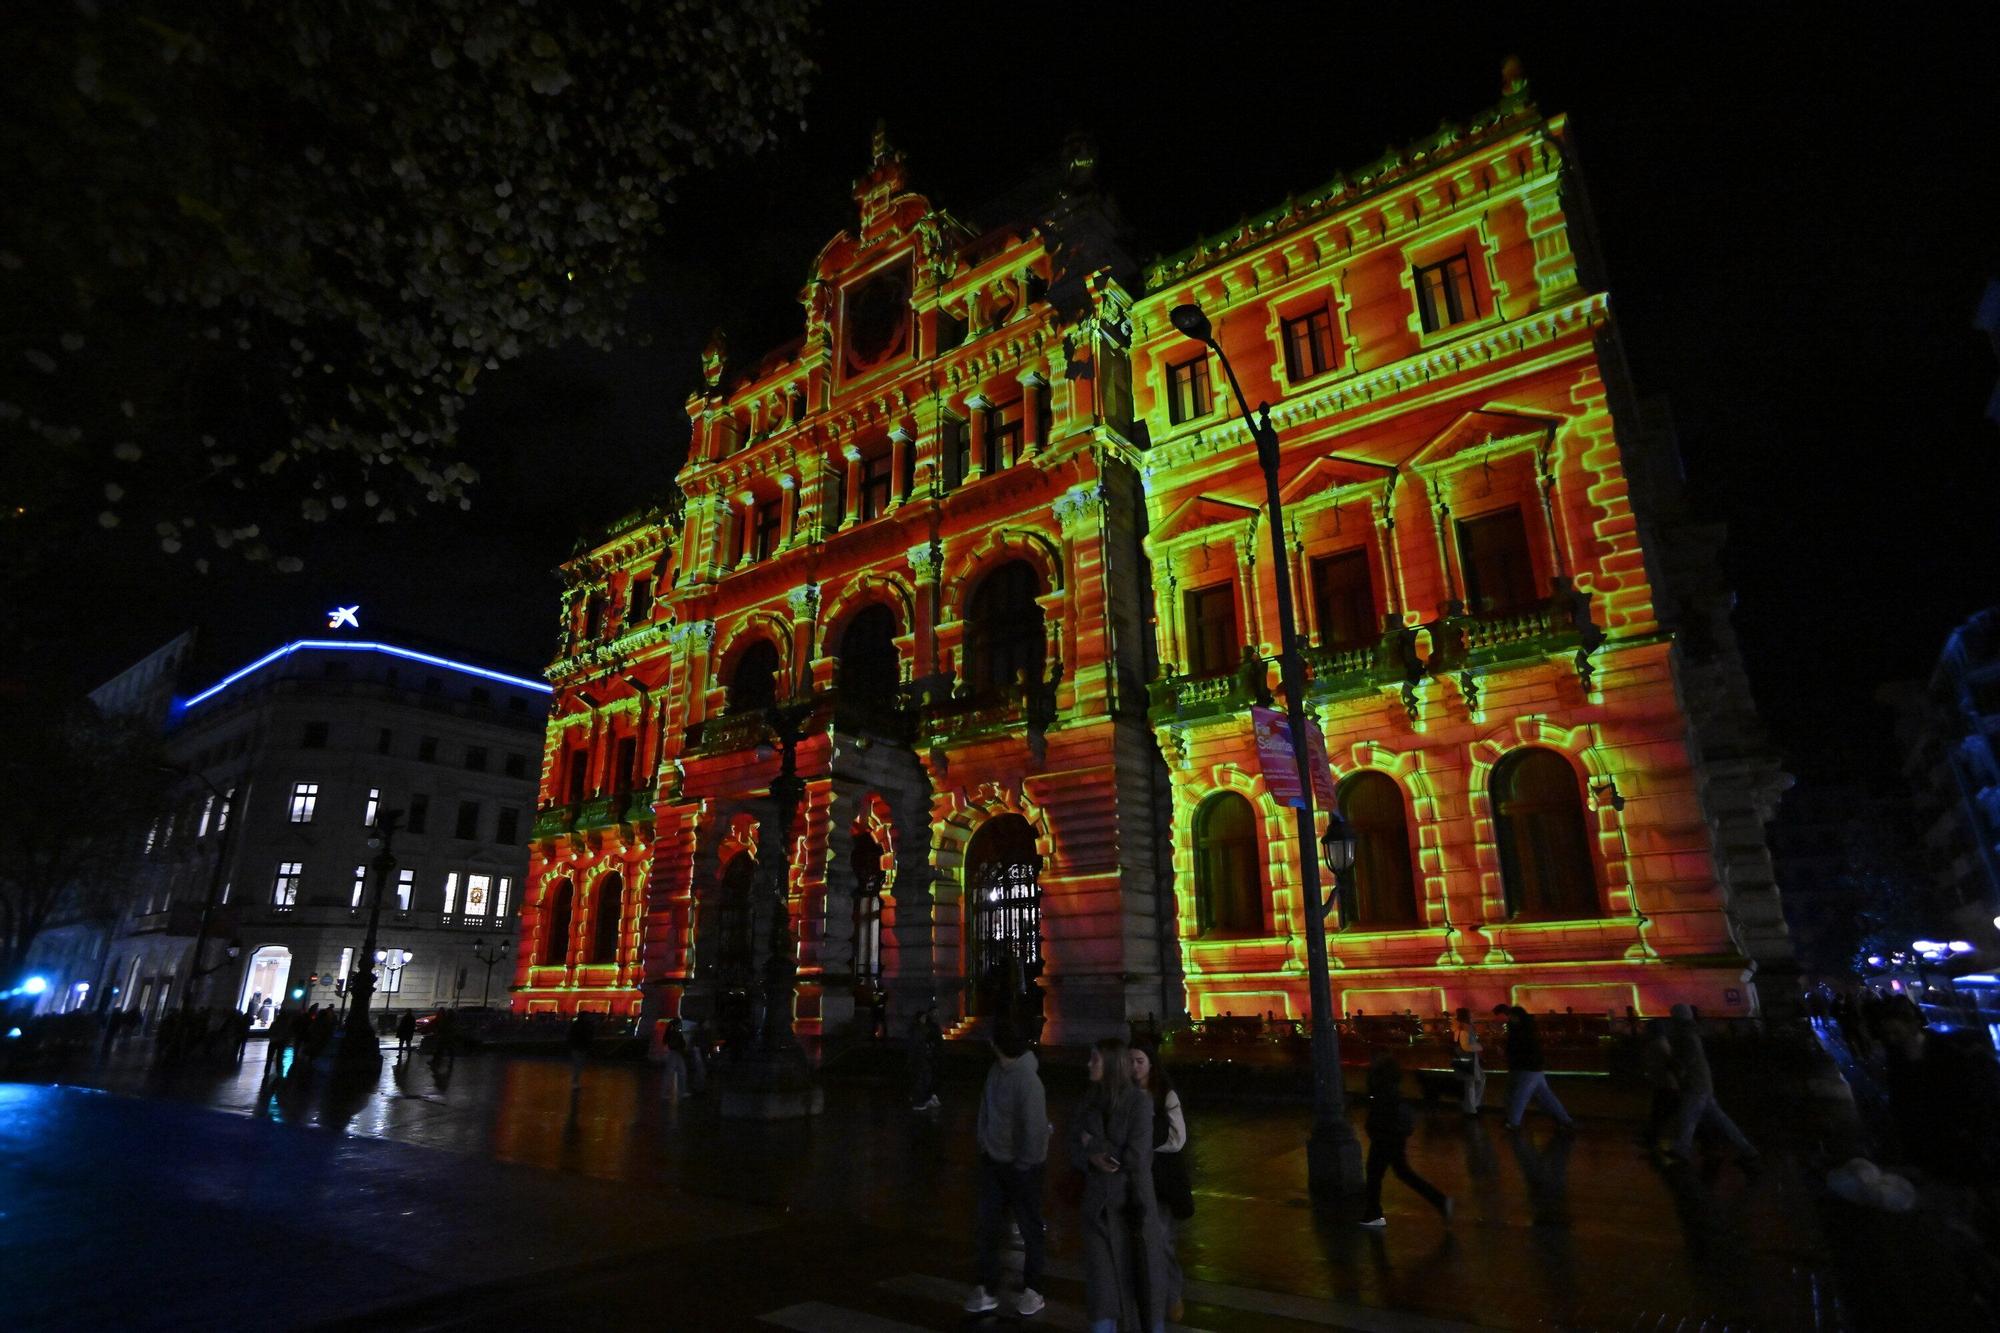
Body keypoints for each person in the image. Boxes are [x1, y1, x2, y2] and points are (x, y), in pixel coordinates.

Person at [1069, 1037, 1168, 1333]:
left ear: (1111, 1064)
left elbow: (1136, 1157)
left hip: (1133, 1209)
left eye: (1095, 1059)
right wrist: (1092, 1154)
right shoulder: (1089, 1101)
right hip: (1098, 1211)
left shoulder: (1139, 1102)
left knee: (1144, 1289)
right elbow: (1074, 1145)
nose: (1089, 1064)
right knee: (1102, 1294)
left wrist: (1095, 1146)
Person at [963, 1020, 1049, 1318]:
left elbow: (1034, 1128)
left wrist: (1024, 1163)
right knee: (987, 1226)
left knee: (1030, 1228)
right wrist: (984, 1142)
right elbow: (985, 1110)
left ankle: (1033, 1289)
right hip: (995, 1161)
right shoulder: (996, 1072)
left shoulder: (1027, 1080)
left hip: (1021, 1167)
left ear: (996, 1044)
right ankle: (987, 1287)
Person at [1359, 1052, 1453, 1228]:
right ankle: (1440, 1201)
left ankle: (1374, 1213)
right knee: (1402, 1172)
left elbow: (1377, 1110)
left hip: (1383, 1134)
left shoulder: (1380, 1086)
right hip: (1394, 1134)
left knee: (1375, 1174)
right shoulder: (1392, 1086)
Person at [1133, 1042, 1191, 1322]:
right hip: (1134, 1179)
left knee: (1163, 1240)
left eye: (1139, 1061)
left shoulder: (1165, 1095)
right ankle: (1147, 1294)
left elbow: (1177, 1139)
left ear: (1151, 1064)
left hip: (1161, 1180)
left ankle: (1172, 1294)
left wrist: (1142, 1145)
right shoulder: (1124, 1093)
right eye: (1130, 1061)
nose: (1134, 1067)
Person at [1665, 1003, 1755, 1165]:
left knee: (1688, 1117)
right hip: (1702, 1082)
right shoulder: (1692, 1032)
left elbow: (1687, 1059)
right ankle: (1747, 1149)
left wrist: (1677, 1068)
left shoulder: (1685, 1035)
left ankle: (1682, 1149)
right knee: (1720, 1120)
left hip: (1695, 1083)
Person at [1494, 1005, 1574, 1131]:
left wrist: (1506, 1053)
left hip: (1526, 1069)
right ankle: (1565, 1120)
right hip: (1533, 1068)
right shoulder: (1526, 1029)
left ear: (1515, 1017)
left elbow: (1517, 1048)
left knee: (1519, 1096)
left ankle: (1513, 1122)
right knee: (1545, 1096)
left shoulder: (1518, 1031)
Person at [1638, 1019, 1679, 1152]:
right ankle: (1652, 1138)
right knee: (1660, 1113)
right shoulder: (1661, 1043)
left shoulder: (1656, 1045)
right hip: (1667, 1084)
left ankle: (1652, 1138)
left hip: (1665, 1085)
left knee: (1659, 1112)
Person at [1450, 1007, 1485, 1117]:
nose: (1472, 1016)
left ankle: (1472, 1106)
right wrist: (1479, 1047)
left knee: (1475, 1081)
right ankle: (1471, 1109)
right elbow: (1465, 1046)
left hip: (1464, 1059)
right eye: (1471, 1015)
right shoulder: (1464, 1030)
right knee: (1472, 1083)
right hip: (1469, 1060)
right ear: (1467, 1017)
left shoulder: (1458, 1028)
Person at [909, 1005, 942, 1111]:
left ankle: (925, 1098)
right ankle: (919, 1101)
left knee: (926, 1079)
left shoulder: (924, 1028)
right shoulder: (919, 1030)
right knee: (922, 1080)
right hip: (921, 1058)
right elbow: (917, 1045)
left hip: (926, 1057)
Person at [662, 1018, 689, 1101]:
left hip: (675, 1053)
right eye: (680, 1024)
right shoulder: (675, 1033)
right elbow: (678, 1044)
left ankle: (667, 1093)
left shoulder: (672, 1033)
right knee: (678, 1072)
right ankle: (679, 1092)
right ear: (676, 1025)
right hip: (675, 1053)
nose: (681, 1025)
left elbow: (668, 1042)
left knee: (675, 1073)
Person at [567, 1010, 595, 1091]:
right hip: (580, 1046)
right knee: (578, 1065)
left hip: (578, 1046)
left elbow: (570, 1035)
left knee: (578, 1065)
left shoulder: (576, 1025)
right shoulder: (585, 1025)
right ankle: (575, 1082)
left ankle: (575, 1081)